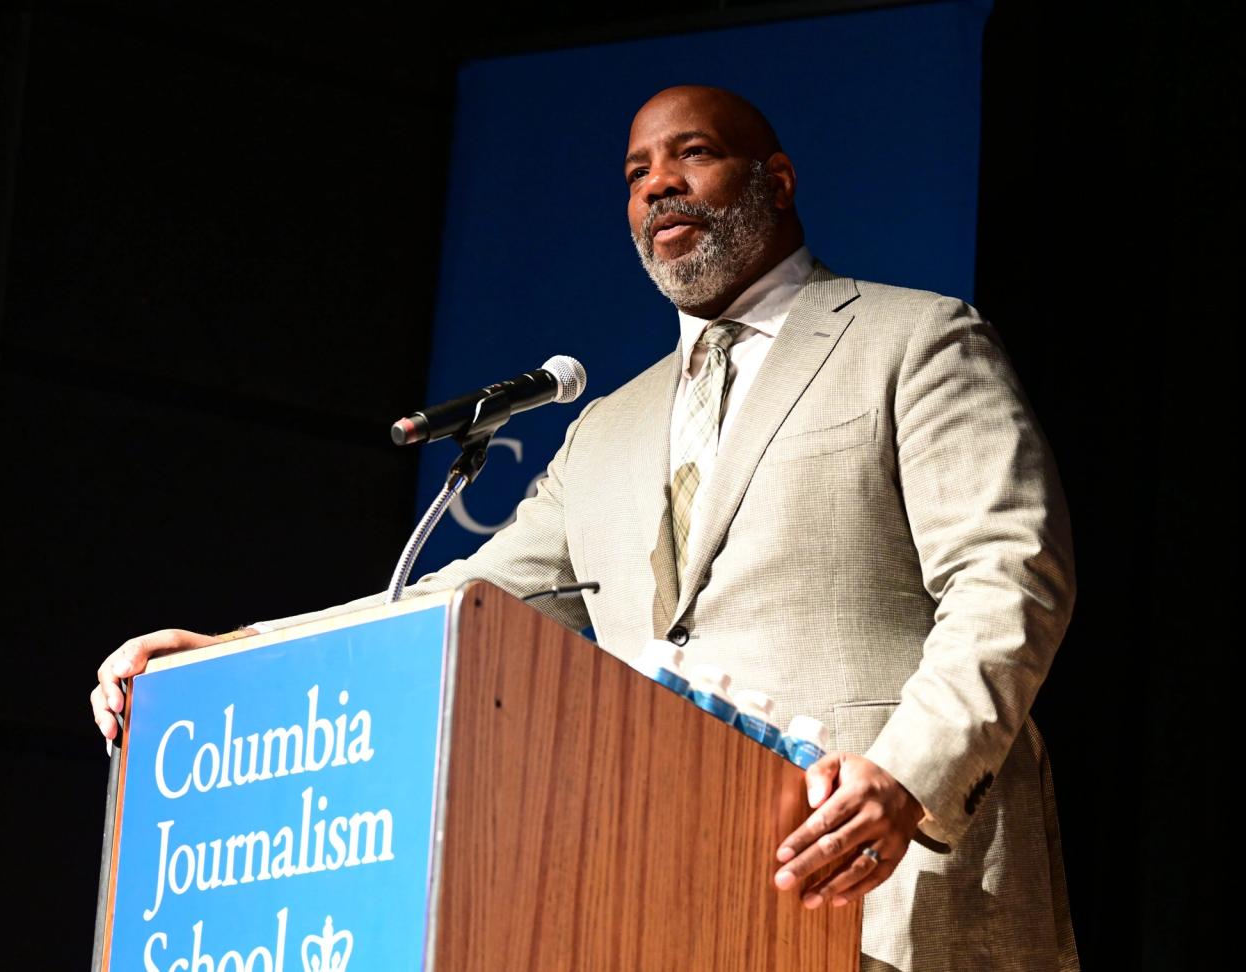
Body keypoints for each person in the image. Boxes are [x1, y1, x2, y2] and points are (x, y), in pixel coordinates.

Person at [91, 86, 1078, 971]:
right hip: (661, 902)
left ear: (773, 179)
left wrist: (905, 779)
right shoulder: (606, 427)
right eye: (635, 173)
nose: (657, 186)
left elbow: (1007, 577)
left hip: (881, 883)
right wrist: (228, 658)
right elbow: (459, 607)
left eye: (690, 154)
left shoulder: (912, 339)